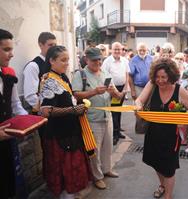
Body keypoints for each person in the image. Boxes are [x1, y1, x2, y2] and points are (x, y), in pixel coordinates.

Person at [135, 58, 188, 199]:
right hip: (153, 133)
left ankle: (168, 195)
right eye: (157, 77)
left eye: (163, 77)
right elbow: (139, 100)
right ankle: (162, 185)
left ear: (171, 76)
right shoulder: (152, 85)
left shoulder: (180, 90)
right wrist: (138, 106)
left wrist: (183, 119)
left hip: (171, 136)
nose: (160, 80)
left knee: (168, 168)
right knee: (155, 162)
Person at [39, 46, 91, 199]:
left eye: (68, 60)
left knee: (73, 174)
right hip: (59, 135)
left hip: (71, 132)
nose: (67, 63)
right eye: (63, 60)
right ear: (52, 61)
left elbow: (68, 102)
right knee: (63, 174)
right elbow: (46, 111)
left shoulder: (63, 77)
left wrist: (79, 107)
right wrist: (74, 110)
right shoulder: (49, 80)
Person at [72, 47, 121, 190]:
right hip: (92, 118)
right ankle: (97, 177)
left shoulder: (105, 72)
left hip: (107, 116)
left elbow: (117, 95)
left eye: (100, 59)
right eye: (94, 60)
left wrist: (115, 93)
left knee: (107, 146)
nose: (98, 62)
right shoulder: (80, 74)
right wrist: (94, 92)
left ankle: (106, 169)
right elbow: (76, 95)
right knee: (95, 150)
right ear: (87, 60)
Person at [0, 28, 27, 199]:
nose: (11, 55)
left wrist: (30, 121)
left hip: (7, 142)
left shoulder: (9, 74)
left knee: (8, 185)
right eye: (6, 49)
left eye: (12, 49)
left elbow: (16, 105)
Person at [102, 42, 129, 145]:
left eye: (119, 49)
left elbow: (127, 75)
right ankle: (114, 134)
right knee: (114, 112)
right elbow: (106, 78)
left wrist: (125, 90)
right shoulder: (107, 62)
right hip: (112, 89)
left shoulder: (125, 61)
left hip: (122, 88)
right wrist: (115, 92)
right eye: (115, 49)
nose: (117, 51)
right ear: (111, 50)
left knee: (119, 110)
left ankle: (118, 130)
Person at [23, 32, 56, 113]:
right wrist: (46, 110)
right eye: (50, 45)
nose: (53, 48)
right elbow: (30, 96)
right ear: (40, 45)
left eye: (55, 45)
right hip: (42, 113)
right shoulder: (33, 66)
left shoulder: (54, 63)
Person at [129, 42, 153, 134]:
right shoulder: (133, 60)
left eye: (144, 50)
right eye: (140, 50)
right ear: (137, 50)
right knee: (138, 108)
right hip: (138, 87)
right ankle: (139, 129)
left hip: (149, 86)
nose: (142, 52)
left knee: (149, 107)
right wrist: (132, 90)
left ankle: (148, 128)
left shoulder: (151, 58)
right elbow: (130, 76)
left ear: (147, 50)